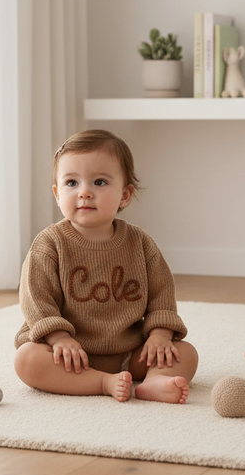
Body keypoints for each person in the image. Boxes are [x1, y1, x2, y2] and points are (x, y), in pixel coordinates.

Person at [14, 129, 198, 403]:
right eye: (71, 183)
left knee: (185, 353)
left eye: (99, 182)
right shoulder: (49, 243)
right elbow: (36, 299)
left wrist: (159, 335)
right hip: (68, 355)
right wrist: (59, 338)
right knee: (26, 359)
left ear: (124, 195)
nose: (84, 192)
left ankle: (153, 382)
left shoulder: (140, 244)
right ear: (57, 193)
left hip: (129, 353)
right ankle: (102, 382)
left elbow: (161, 294)